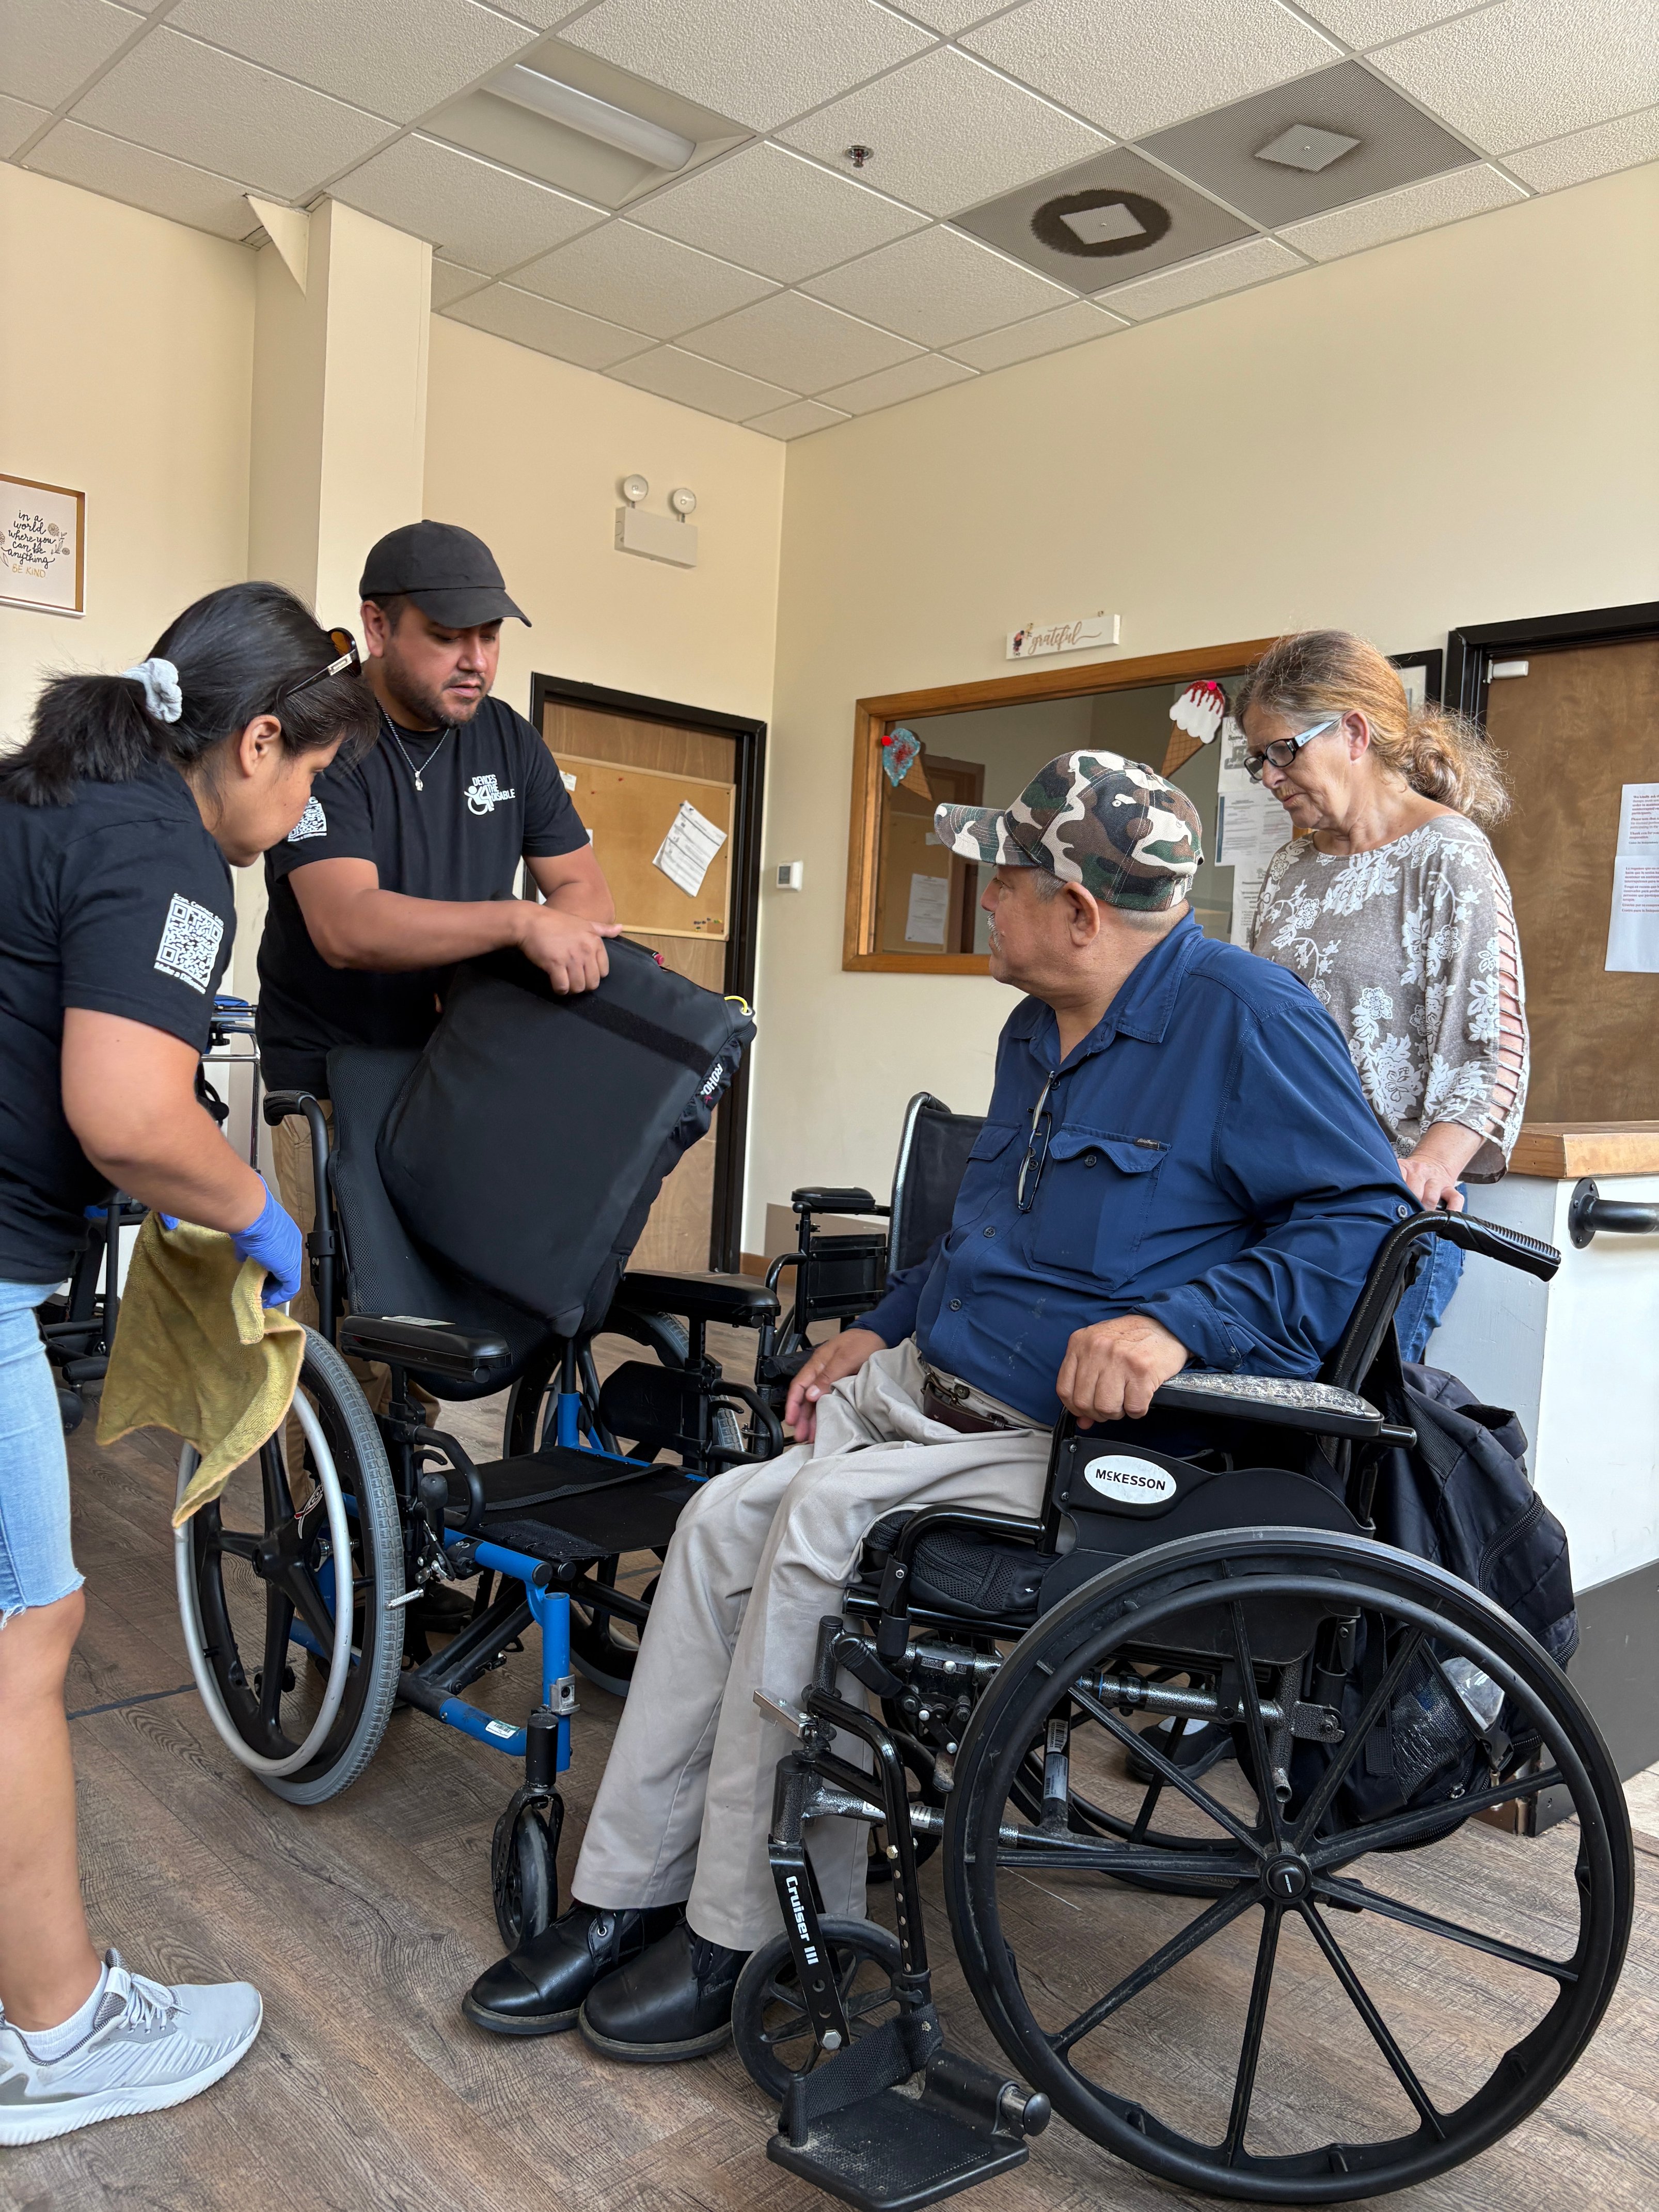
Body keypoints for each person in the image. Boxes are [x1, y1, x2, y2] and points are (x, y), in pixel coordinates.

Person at [462, 751, 1414, 2058]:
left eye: (1004, 883)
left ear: (1081, 912)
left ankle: (754, 1935)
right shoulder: (1037, 1026)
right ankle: (622, 1893)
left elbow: (1365, 1227)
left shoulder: (1247, 1020)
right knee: (718, 1523)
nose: (985, 904)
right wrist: (876, 1326)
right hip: (930, 1395)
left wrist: (1179, 1324)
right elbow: (983, 1241)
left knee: (810, 1535)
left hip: (1068, 1445)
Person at [0, 582, 378, 2141]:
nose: (300, 816)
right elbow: (132, 1115)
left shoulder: (49, 791)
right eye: (302, 780)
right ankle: (58, 2027)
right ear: (255, 737)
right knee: (33, 1630)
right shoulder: (164, 848)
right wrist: (253, 1207)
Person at [255, 518, 617, 1337]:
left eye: (490, 638)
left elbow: (585, 897)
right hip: (329, 1079)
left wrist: (495, 973)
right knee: (345, 1326)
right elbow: (348, 925)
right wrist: (518, 925)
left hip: (455, 1078)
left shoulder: (509, 742)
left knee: (429, 1325)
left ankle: (405, 1463)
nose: (478, 662)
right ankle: (333, 1472)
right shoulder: (324, 739)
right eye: (449, 638)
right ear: (377, 626)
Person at [1240, 631, 1529, 1362]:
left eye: (1281, 750)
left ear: (1353, 732)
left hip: (1380, 1217)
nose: (1270, 776)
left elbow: (1490, 1045)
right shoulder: (1288, 867)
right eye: (1257, 759)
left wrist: (1431, 1163)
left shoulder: (1445, 855)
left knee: (1344, 1456)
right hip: (1274, 1207)